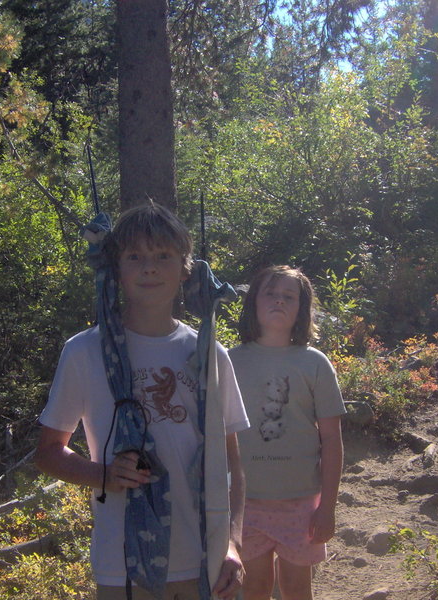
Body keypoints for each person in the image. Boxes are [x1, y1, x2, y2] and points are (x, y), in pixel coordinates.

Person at [35, 202, 249, 600]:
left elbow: (231, 461)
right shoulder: (85, 352)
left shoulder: (209, 354)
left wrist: (233, 542)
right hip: (123, 567)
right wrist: (104, 475)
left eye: (162, 256)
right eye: (135, 256)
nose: (149, 268)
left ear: (185, 269)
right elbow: (49, 452)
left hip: (207, 559)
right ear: (116, 267)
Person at [228, 265, 345, 600]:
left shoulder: (315, 364)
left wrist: (328, 507)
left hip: (301, 504)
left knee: (296, 589)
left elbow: (332, 441)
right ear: (253, 304)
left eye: (289, 296)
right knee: (254, 587)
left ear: (301, 309)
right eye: (270, 293)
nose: (278, 301)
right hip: (244, 503)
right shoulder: (229, 361)